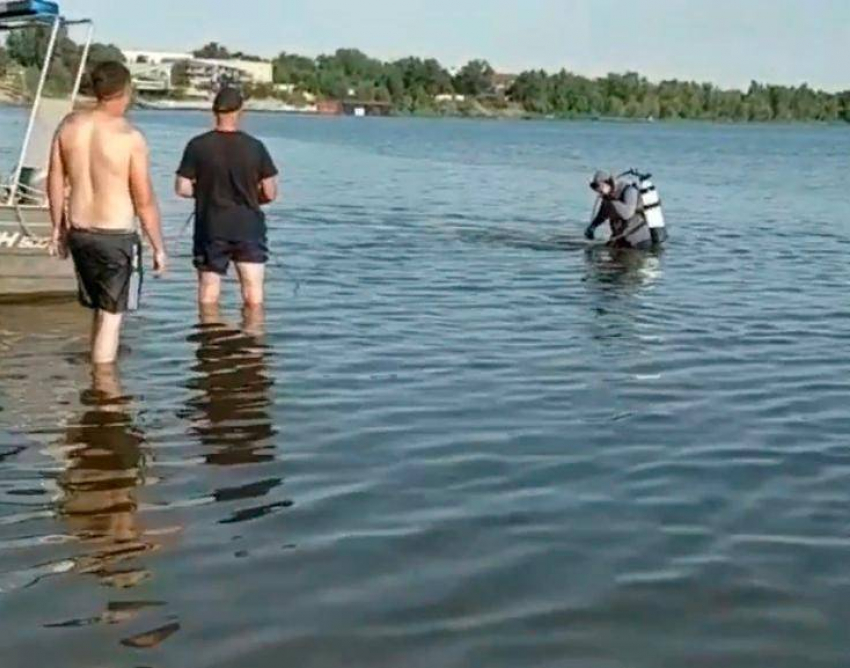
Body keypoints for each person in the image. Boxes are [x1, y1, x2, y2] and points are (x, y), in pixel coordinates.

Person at [48, 61, 167, 365]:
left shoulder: (69, 126)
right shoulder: (129, 138)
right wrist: (158, 247)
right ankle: (105, 395)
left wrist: (56, 229)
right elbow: (144, 200)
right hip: (115, 236)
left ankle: (94, 387)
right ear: (124, 92)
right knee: (112, 318)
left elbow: (55, 180)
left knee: (98, 310)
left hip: (80, 232)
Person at [175, 87, 279, 309]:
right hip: (248, 225)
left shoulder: (197, 145)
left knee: (209, 292)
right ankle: (252, 339)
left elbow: (182, 188)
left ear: (214, 112)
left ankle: (209, 339)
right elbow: (270, 192)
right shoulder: (256, 147)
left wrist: (205, 192)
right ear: (241, 111)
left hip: (211, 225)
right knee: (253, 293)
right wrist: (253, 197)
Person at [584, 170, 654, 250]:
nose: (600, 193)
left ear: (608, 183)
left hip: (638, 239)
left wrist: (611, 200)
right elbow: (603, 215)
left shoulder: (629, 191)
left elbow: (627, 214)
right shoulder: (607, 196)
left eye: (601, 188)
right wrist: (592, 227)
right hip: (621, 238)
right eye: (598, 191)